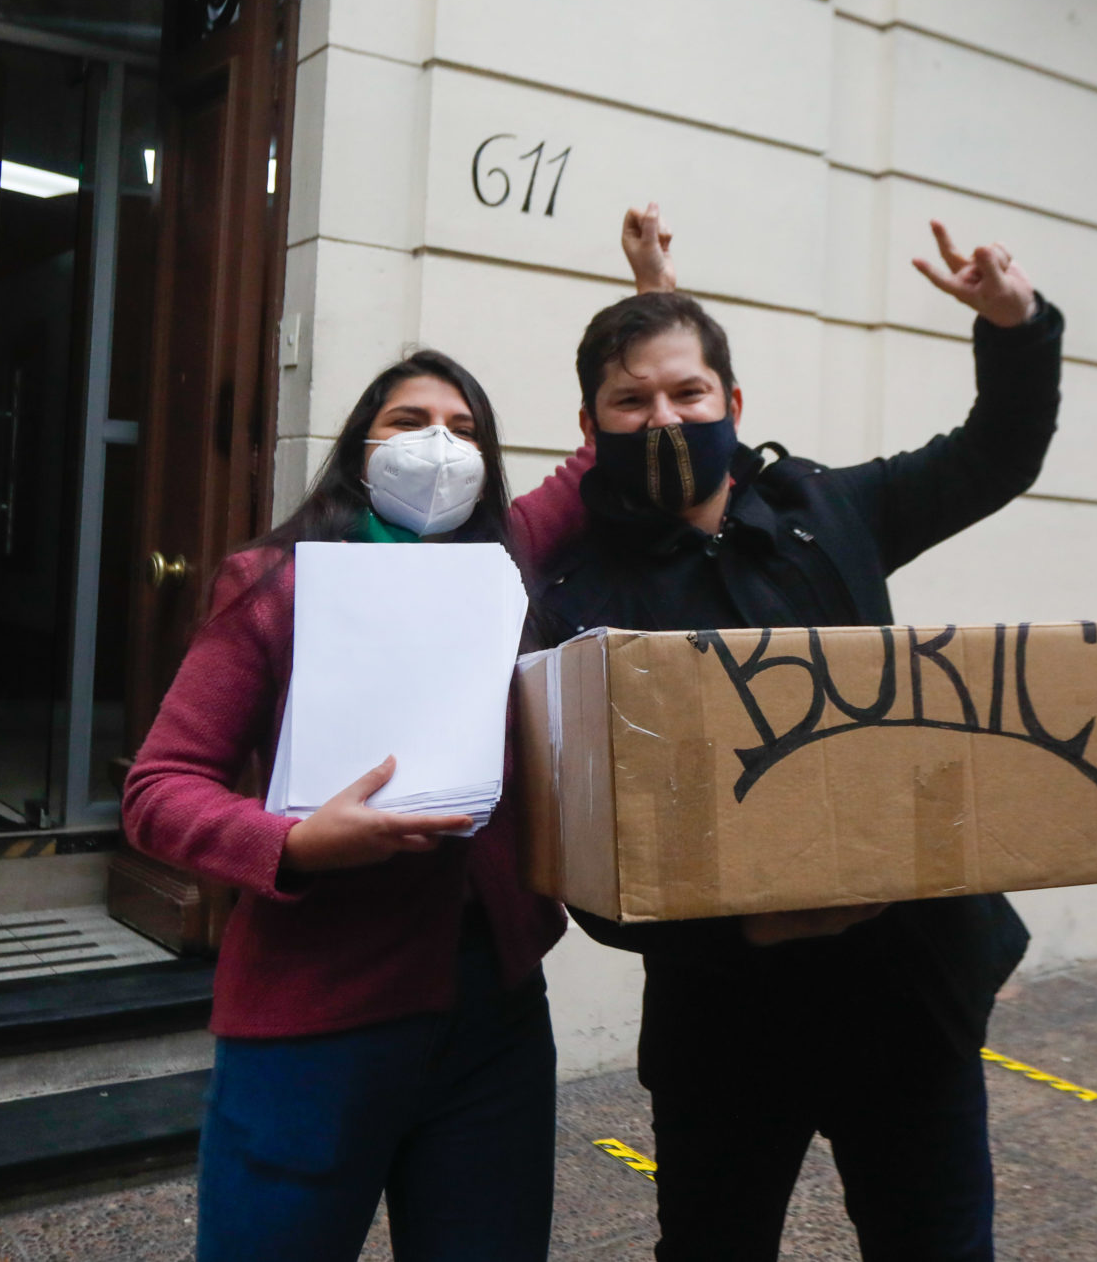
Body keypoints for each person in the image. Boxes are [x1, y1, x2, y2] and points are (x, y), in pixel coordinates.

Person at [122, 261, 688, 1258]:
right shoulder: (274, 586)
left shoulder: (503, 560)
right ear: (357, 449)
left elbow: (598, 453)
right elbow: (158, 793)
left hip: (491, 1014)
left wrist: (651, 319)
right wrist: (292, 846)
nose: (438, 445)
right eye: (407, 421)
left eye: (464, 428)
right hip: (312, 1016)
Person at [537, 214, 1063, 1261]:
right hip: (724, 1019)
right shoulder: (576, 596)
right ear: (590, 426)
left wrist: (1015, 325)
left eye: (687, 394)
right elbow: (582, 846)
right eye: (631, 402)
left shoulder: (827, 508)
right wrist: (730, 933)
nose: (665, 418)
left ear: (732, 404)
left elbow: (992, 457)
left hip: (906, 994)